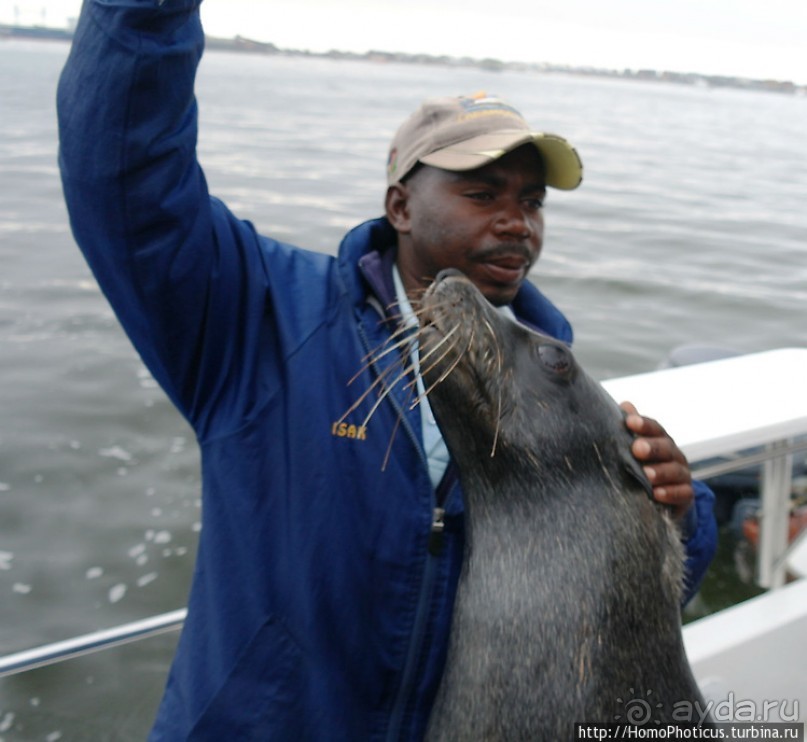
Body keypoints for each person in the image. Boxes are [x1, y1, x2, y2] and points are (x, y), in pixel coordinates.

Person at [57, 2, 717, 739]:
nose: (515, 222)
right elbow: (127, 183)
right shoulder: (262, 317)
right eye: (481, 193)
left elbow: (627, 610)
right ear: (400, 205)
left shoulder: (546, 381)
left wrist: (680, 510)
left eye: (530, 201)